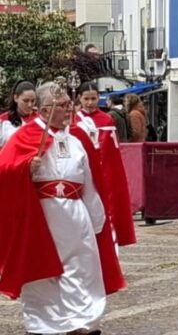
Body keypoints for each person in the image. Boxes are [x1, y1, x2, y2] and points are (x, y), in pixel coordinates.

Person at [0, 81, 125, 334]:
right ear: (45, 110)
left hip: (76, 215)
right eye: (63, 106)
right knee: (43, 273)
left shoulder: (78, 137)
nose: (70, 110)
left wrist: (97, 218)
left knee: (82, 269)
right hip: (42, 217)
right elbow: (4, 170)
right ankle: (45, 324)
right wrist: (25, 169)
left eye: (70, 104)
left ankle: (83, 322)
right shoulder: (23, 137)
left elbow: (90, 178)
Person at [74, 82, 136, 247]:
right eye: (86, 99)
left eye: (93, 98)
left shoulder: (106, 118)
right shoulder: (73, 120)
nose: (89, 103)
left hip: (104, 169)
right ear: (79, 98)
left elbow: (110, 150)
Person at [0, 80, 37, 149]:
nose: (30, 105)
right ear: (16, 98)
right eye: (25, 101)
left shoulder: (40, 120)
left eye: (33, 101)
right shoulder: (3, 121)